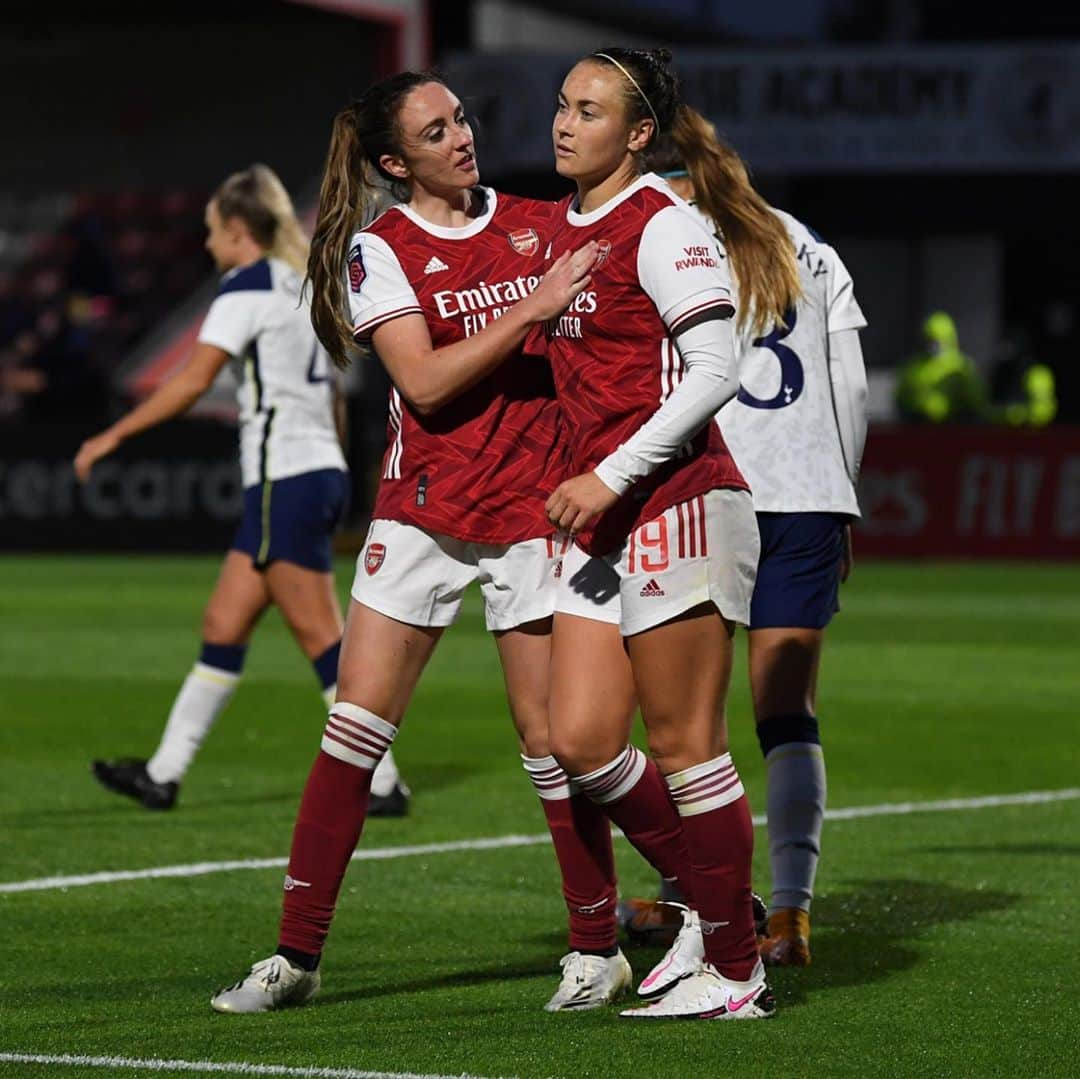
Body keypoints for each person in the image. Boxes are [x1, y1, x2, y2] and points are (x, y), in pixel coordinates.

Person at [208, 73, 623, 1014]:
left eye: (463, 120)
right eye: (437, 132)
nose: (462, 138)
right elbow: (426, 385)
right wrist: (534, 306)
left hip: (532, 515)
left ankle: (597, 947)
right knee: (353, 731)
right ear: (396, 162)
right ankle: (295, 956)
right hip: (423, 513)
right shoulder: (379, 252)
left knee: (551, 742)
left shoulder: (536, 223)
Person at [540, 47, 778, 1020]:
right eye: (561, 104)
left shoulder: (663, 224)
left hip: (679, 497)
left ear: (638, 135)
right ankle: (720, 912)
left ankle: (736, 971)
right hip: (612, 516)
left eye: (589, 110)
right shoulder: (560, 228)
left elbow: (717, 367)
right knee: (583, 739)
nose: (564, 121)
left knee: (686, 743)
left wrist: (609, 473)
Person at [74, 163, 410, 816]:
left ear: (236, 230)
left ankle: (383, 779)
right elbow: (338, 400)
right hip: (315, 472)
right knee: (223, 623)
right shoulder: (304, 288)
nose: (206, 244)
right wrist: (333, 471)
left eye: (210, 231)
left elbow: (193, 380)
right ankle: (163, 773)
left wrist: (111, 436)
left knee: (321, 636)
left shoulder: (245, 288)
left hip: (283, 478)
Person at [617, 129, 869, 970]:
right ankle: (790, 911)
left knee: (683, 715)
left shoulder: (664, 237)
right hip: (807, 496)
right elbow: (852, 386)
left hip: (708, 491)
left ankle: (699, 894)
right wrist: (843, 494)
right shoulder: (807, 243)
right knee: (785, 715)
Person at [894, 310, 986, 423]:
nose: (933, 345)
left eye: (939, 340)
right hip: (917, 427)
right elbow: (900, 398)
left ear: (949, 339)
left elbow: (976, 403)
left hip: (953, 429)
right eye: (929, 340)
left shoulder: (961, 367)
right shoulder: (913, 367)